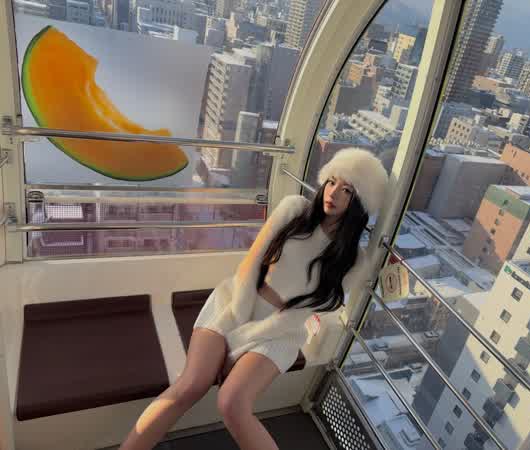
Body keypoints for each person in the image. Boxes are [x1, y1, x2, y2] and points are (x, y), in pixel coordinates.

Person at [118, 147, 388, 450]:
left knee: (232, 403)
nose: (333, 193)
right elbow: (251, 262)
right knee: (191, 385)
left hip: (280, 331)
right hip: (235, 302)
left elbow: (302, 313)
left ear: (359, 204)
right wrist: (238, 320)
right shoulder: (295, 209)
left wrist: (247, 337)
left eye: (347, 190)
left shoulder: (354, 261)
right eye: (332, 181)